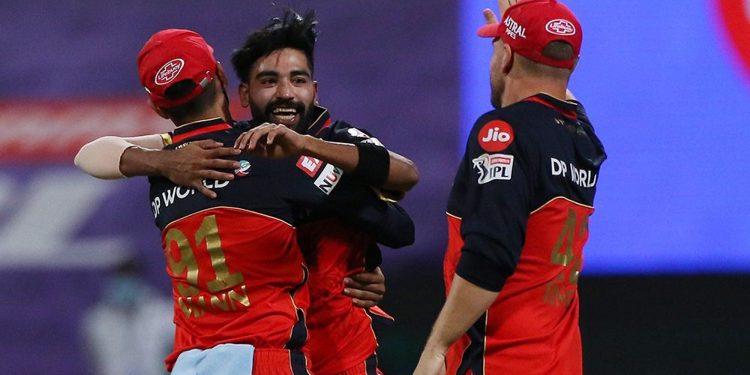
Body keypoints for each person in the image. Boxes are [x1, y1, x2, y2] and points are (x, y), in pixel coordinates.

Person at [75, 11, 419, 375]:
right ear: (234, 85)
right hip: (270, 354)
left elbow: (92, 154)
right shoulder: (272, 157)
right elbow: (397, 223)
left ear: (157, 106)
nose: (285, 92)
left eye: (297, 79)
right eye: (269, 80)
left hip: (202, 360)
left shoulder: (170, 163)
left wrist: (362, 258)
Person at [414, 1, 607, 374]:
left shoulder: (502, 132)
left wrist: (437, 347)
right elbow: (560, 94)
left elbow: (491, 254)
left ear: (505, 58)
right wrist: (517, 32)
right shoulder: (584, 137)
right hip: (560, 362)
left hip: (502, 361)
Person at [81, 258, 172, 375]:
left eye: (129, 276)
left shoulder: (164, 313)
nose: (125, 283)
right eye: (120, 277)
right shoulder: (98, 321)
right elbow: (96, 361)